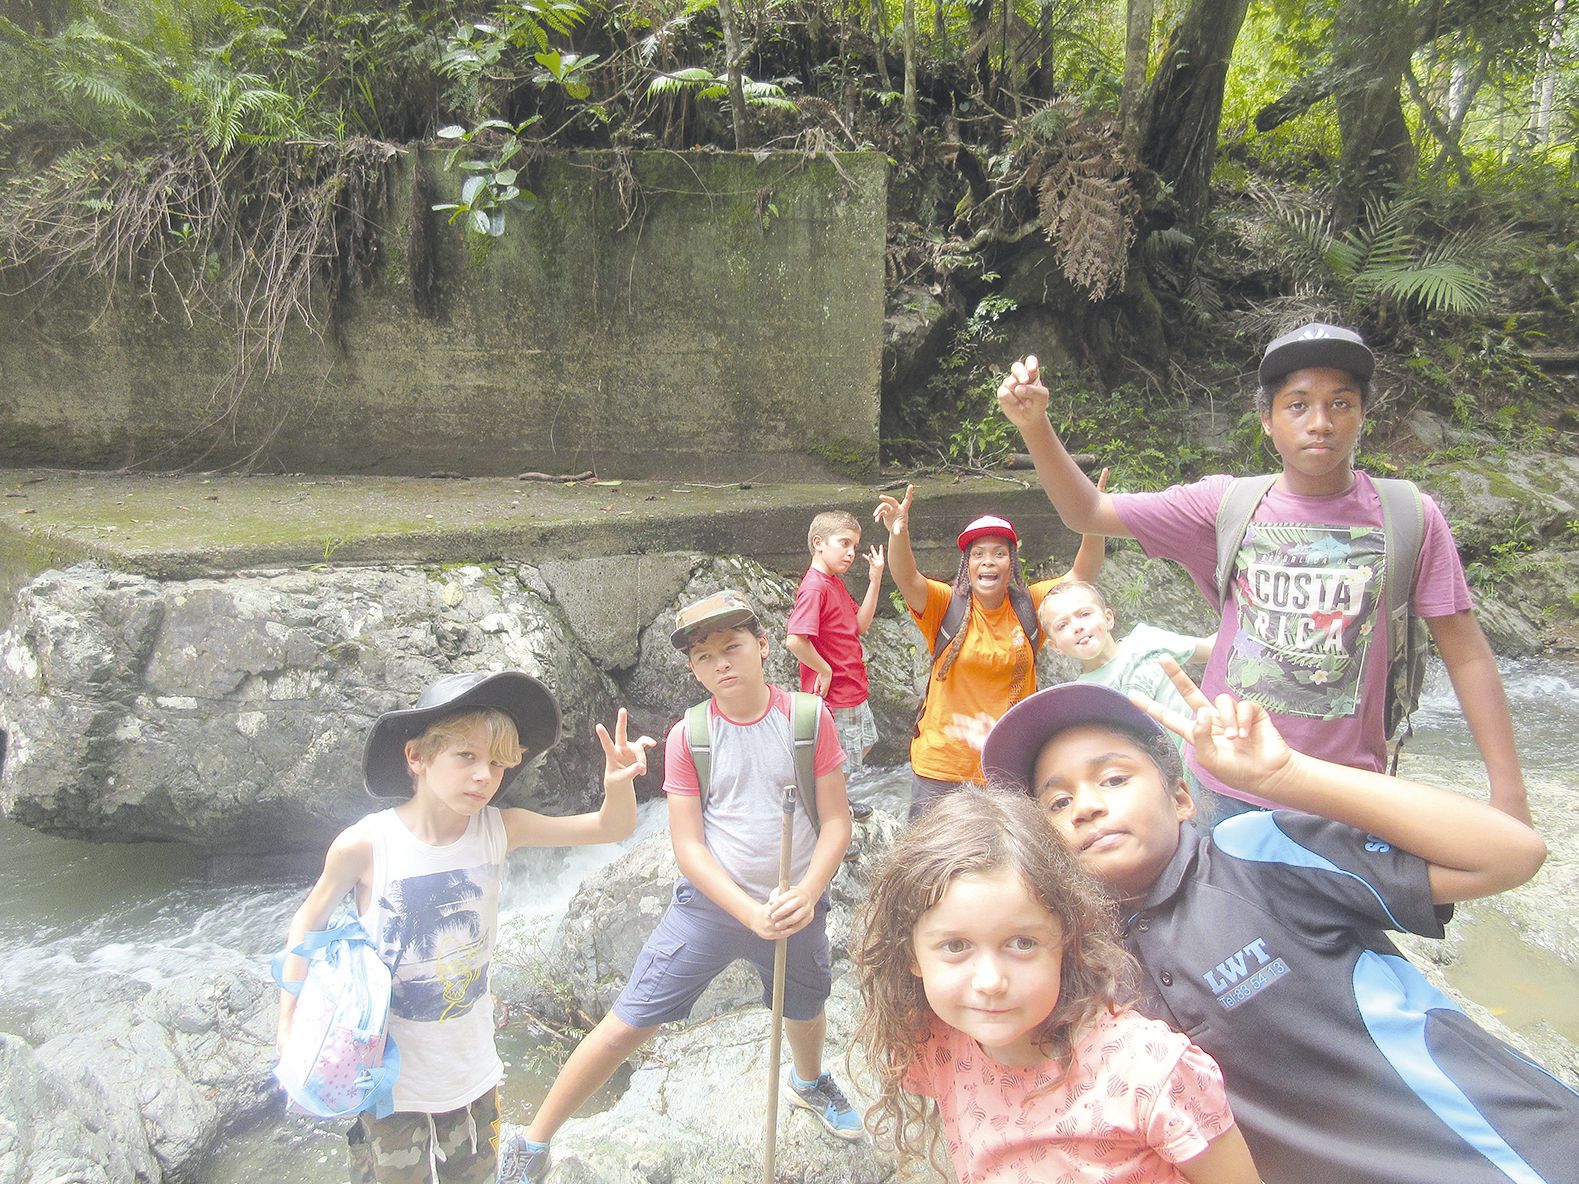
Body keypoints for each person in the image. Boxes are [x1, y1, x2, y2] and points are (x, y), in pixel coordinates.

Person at [980, 663, 1572, 1184]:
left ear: (1182, 800)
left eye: (1113, 779)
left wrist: (1286, 778)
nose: (1085, 805)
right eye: (1057, 803)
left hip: (1510, 1157)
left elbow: (1511, 855)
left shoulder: (1254, 853)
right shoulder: (1077, 968)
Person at [995, 323, 1530, 823]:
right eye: (1298, 405)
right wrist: (1034, 425)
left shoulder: (1408, 516)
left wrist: (1508, 793)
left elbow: (1466, 653)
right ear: (1268, 422)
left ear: (1363, 414)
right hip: (1223, 783)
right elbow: (1086, 512)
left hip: (1343, 793)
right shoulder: (1225, 506)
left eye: (1339, 403)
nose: (1320, 421)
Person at [508, 590, 863, 1182]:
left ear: (763, 645)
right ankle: (532, 1141)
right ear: (693, 670)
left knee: (806, 1002)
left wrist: (807, 891)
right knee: (628, 1021)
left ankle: (808, 1082)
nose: (722, 662)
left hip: (794, 899)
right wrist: (748, 913)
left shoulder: (807, 718)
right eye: (705, 657)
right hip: (712, 908)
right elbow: (689, 847)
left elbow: (836, 821)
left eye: (733, 646)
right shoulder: (688, 736)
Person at [276, 671, 652, 1184]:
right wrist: (289, 1029)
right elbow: (308, 921)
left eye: (498, 764)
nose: (484, 776)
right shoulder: (366, 845)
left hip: (473, 1070)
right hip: (389, 1081)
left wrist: (618, 785)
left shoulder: (502, 828)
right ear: (417, 757)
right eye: (466, 757)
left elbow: (612, 828)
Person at [851, 784, 1260, 1184]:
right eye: (955, 946)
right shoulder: (934, 1043)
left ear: (1067, 939)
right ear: (911, 956)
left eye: (1022, 943)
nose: (991, 981)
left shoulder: (1149, 1073)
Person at [874, 483, 1104, 818]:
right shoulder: (945, 604)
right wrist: (899, 533)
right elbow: (908, 578)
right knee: (932, 867)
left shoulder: (1031, 605)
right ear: (967, 565)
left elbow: (1082, 575)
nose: (988, 562)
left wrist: (1093, 519)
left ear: (1012, 563)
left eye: (999, 553)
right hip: (942, 767)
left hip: (1006, 764)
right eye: (978, 554)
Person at [1038, 580, 1244, 820]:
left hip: (1215, 759)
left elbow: (1213, 648)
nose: (1077, 627)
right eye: (1062, 625)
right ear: (1054, 646)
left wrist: (1252, 607)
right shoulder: (1080, 697)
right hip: (1169, 794)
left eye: (1084, 614)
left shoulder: (1146, 640)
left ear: (1108, 618)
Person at [785, 509, 886, 774]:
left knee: (864, 744)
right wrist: (824, 669)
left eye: (854, 546)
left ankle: (840, 802)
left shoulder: (833, 583)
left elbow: (860, 625)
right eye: (844, 543)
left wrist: (875, 581)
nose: (851, 552)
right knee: (837, 766)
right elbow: (795, 640)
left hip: (853, 688)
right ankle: (834, 809)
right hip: (835, 697)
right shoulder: (814, 588)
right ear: (818, 543)